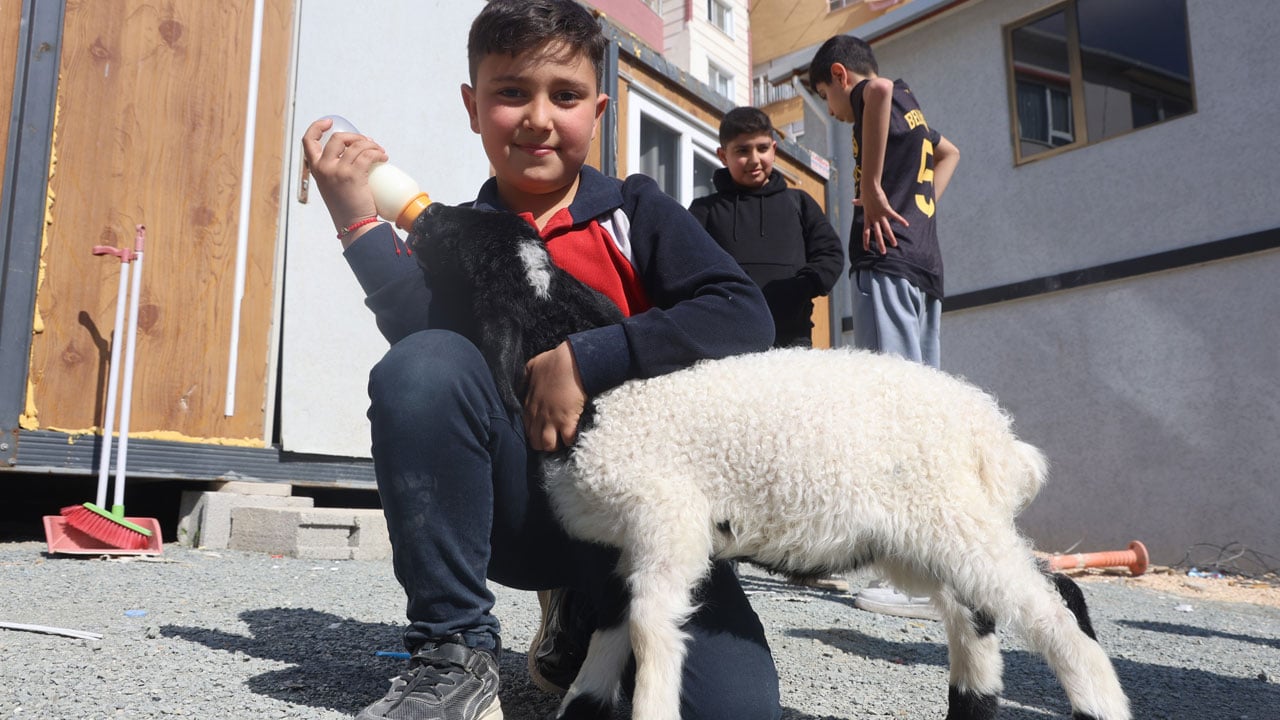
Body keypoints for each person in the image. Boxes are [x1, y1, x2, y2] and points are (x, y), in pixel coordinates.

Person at [301, 2, 781, 719]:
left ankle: (590, 610)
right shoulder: (462, 233)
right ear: (472, 106)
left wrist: (587, 357)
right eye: (510, 93)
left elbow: (742, 314)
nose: (538, 118)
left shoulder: (637, 212)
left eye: (565, 95)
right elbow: (422, 357)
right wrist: (355, 219)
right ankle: (453, 651)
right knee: (426, 364)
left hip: (643, 520)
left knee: (729, 710)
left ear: (599, 108)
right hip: (521, 511)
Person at [808, 34, 960, 619]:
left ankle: (916, 577)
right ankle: (935, 568)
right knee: (921, 411)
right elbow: (952, 153)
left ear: (840, 75)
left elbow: (876, 91)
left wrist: (872, 188)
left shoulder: (878, 92)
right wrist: (917, 209)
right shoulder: (915, 112)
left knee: (892, 413)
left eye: (827, 95)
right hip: (921, 266)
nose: (831, 108)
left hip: (888, 264)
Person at [688, 107, 843, 349]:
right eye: (742, 150)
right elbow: (687, 266)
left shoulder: (800, 203)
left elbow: (830, 254)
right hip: (727, 342)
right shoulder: (704, 211)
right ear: (722, 155)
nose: (754, 159)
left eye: (762, 148)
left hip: (794, 340)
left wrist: (802, 287)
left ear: (774, 149)